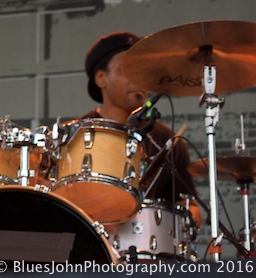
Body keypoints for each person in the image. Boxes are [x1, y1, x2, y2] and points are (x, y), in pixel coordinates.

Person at [79, 31, 199, 217]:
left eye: (142, 71)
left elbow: (191, 209)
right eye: (125, 70)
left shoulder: (167, 141)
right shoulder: (76, 137)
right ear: (101, 78)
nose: (137, 79)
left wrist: (188, 218)